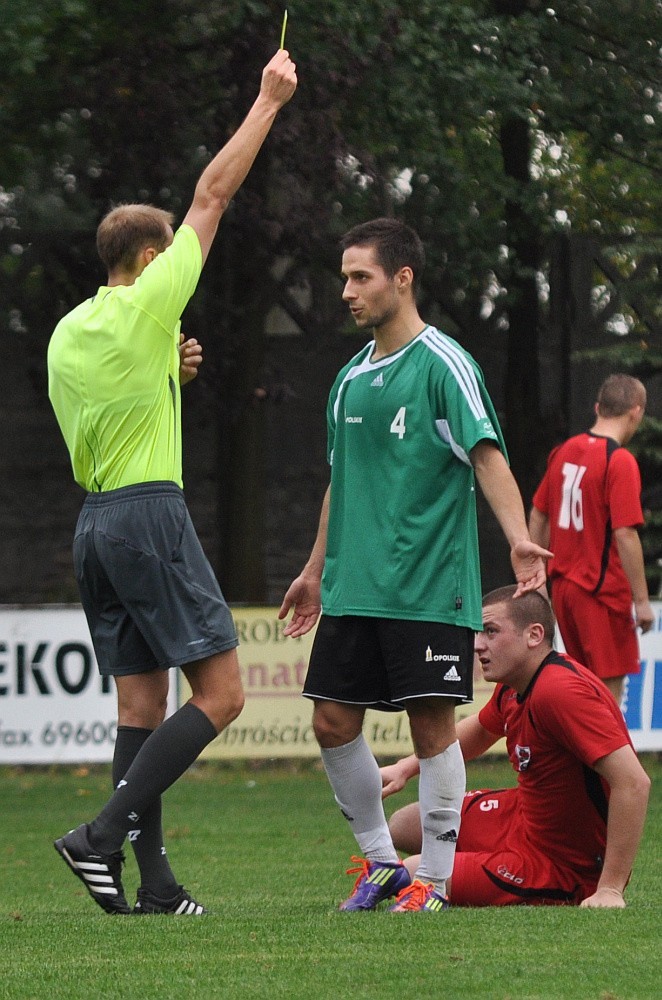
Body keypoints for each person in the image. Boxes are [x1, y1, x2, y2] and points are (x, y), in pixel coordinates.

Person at [48, 50, 297, 915]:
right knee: (223, 694)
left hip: (95, 527)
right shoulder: (155, 296)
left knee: (140, 710)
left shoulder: (69, 331)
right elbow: (212, 196)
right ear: (151, 258)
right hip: (150, 514)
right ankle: (98, 835)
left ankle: (154, 884)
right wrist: (266, 102)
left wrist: (171, 376)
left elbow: (109, 412)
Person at [278, 218, 552, 913]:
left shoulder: (444, 363)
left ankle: (431, 878)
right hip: (353, 584)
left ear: (402, 279)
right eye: (343, 277)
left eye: (359, 276)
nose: (346, 291)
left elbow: (487, 456)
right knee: (332, 723)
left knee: (430, 730)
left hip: (426, 585)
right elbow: (341, 483)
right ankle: (382, 866)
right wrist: (314, 571)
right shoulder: (347, 381)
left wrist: (518, 538)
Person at [381, 586, 651, 909]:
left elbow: (634, 783)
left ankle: (581, 884)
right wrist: (407, 767)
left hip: (561, 862)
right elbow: (481, 730)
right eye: (479, 633)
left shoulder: (559, 691)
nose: (478, 644)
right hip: (521, 818)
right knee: (404, 823)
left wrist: (610, 888)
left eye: (491, 632)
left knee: (416, 873)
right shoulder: (517, 682)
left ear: (534, 635)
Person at [529, 373, 654, 704]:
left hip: (565, 591)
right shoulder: (619, 460)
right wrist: (641, 601)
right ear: (636, 412)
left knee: (582, 695)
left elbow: (539, 512)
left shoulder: (565, 450)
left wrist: (536, 569)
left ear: (599, 407)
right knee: (606, 704)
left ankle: (578, 758)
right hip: (601, 593)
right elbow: (625, 533)